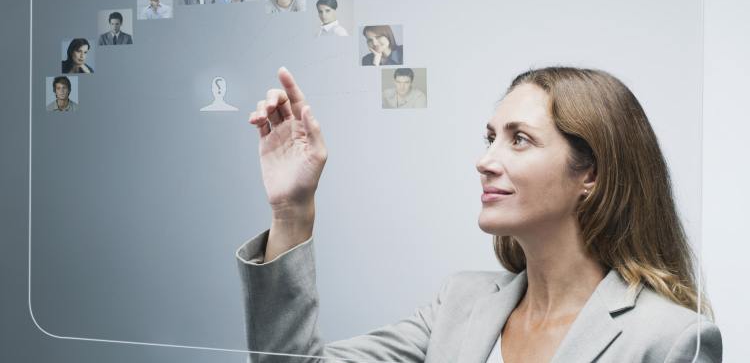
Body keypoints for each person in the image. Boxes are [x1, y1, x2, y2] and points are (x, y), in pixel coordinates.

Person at [238, 67, 722, 362]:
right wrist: (291, 211)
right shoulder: (460, 303)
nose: (486, 160)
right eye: (491, 137)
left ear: (589, 175)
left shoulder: (670, 339)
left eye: (520, 139)